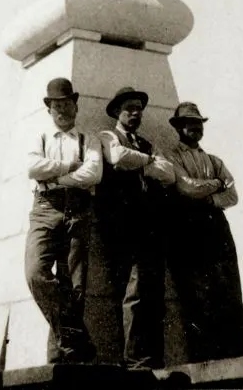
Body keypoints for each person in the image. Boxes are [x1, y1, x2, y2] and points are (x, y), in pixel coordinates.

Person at [25, 77, 102, 364]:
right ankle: (76, 341)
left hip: (79, 207)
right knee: (35, 271)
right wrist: (69, 167)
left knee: (75, 285)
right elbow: (33, 167)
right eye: (57, 105)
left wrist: (54, 175)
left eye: (67, 103)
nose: (62, 110)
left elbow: (93, 174)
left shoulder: (88, 138)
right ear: (49, 108)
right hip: (45, 207)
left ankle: (62, 356)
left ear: (75, 105)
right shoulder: (41, 137)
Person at [96, 86, 174, 370]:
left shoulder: (147, 143)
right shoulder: (108, 137)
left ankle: (153, 358)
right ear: (117, 111)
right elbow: (118, 158)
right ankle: (135, 361)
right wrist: (149, 162)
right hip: (122, 227)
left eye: (139, 108)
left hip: (150, 226)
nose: (135, 112)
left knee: (153, 292)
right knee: (135, 291)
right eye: (129, 107)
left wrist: (146, 162)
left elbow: (168, 174)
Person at [166, 102, 243, 363]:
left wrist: (211, 199)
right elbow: (186, 187)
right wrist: (215, 185)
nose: (194, 127)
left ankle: (235, 358)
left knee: (229, 291)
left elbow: (233, 195)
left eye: (198, 122)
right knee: (197, 295)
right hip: (188, 228)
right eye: (189, 123)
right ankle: (205, 361)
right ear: (179, 127)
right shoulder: (172, 157)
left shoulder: (215, 160)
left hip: (217, 227)